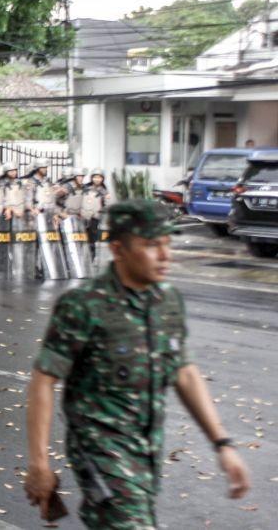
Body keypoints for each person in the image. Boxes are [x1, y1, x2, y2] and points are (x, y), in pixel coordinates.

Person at [24, 200, 251, 529]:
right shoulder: (85, 305)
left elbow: (183, 372)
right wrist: (39, 464)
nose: (165, 255)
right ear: (118, 250)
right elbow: (43, 380)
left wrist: (223, 445)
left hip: (146, 450)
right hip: (101, 452)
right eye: (151, 245)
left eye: (167, 244)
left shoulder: (167, 300)